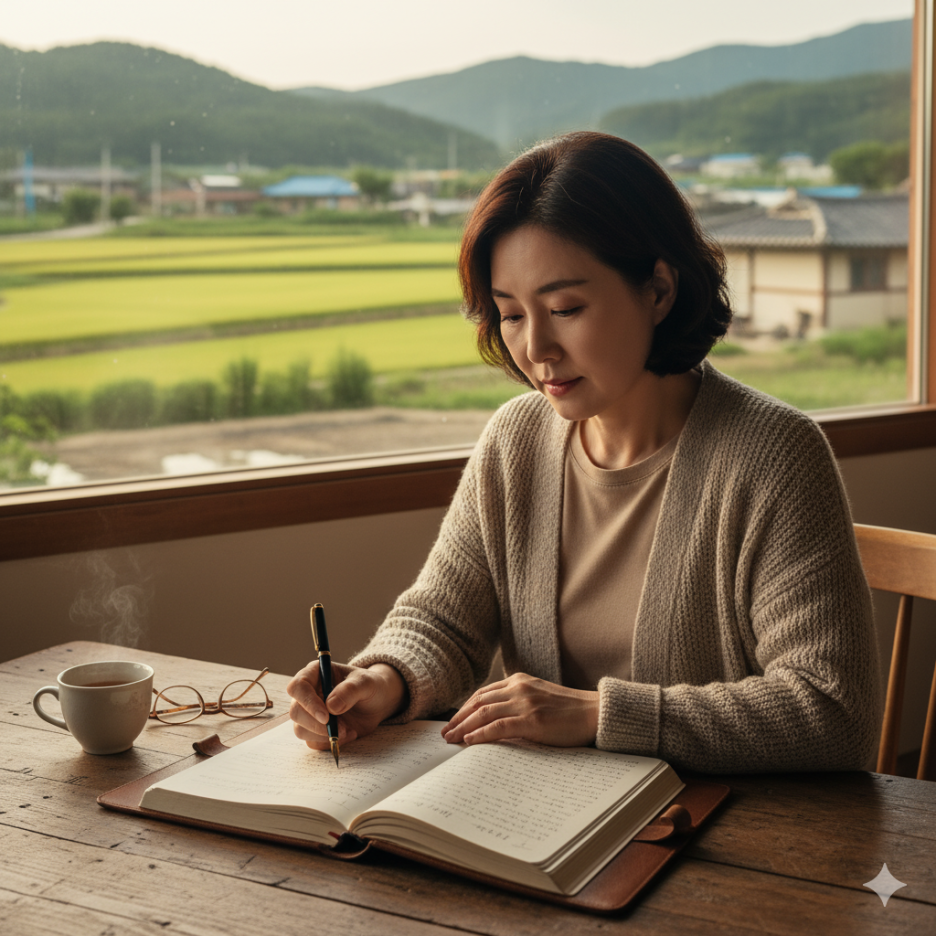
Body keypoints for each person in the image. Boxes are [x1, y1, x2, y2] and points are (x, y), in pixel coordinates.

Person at [288, 131, 880, 774]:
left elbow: (832, 712)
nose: (536, 348)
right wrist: (383, 681)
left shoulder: (774, 456)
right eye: (511, 315)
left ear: (658, 290)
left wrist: (599, 715)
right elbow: (444, 622)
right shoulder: (515, 441)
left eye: (565, 308)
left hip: (713, 820)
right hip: (546, 814)